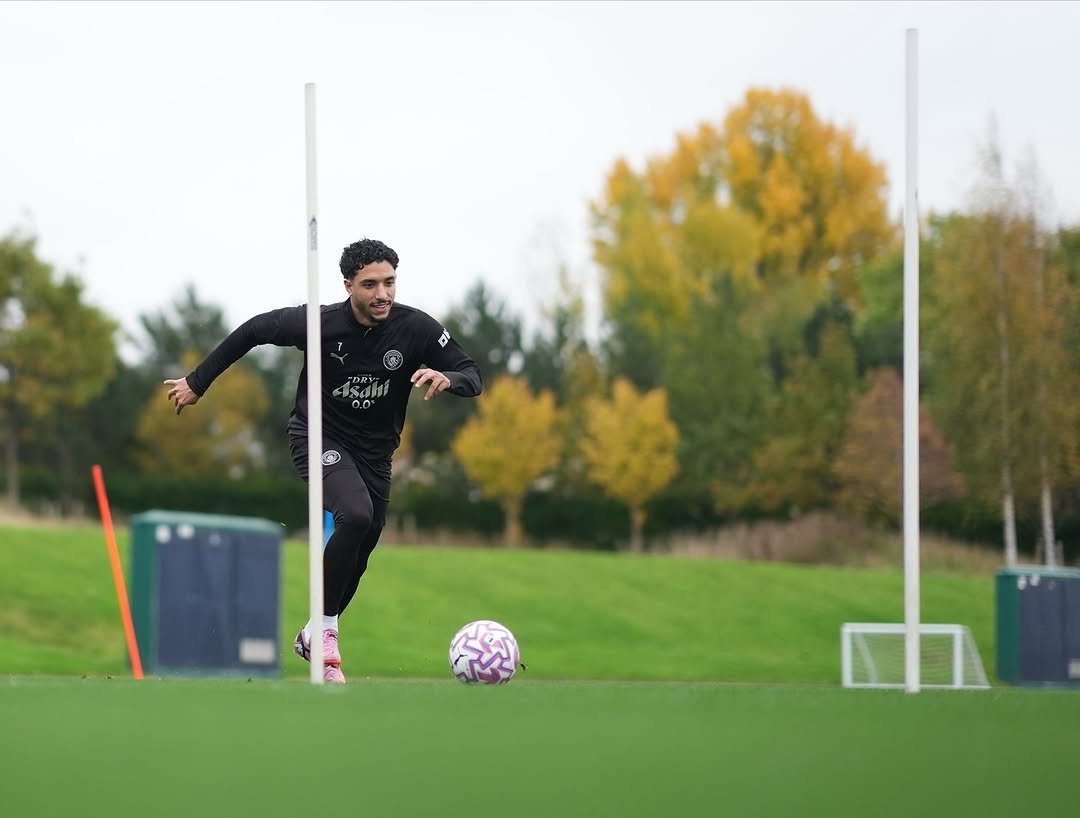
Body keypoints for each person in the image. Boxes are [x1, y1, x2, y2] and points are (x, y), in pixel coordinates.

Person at [163, 238, 483, 683]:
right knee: (354, 514)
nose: (383, 294)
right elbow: (254, 329)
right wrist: (198, 382)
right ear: (348, 285)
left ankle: (314, 632)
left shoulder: (418, 329)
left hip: (375, 454)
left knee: (366, 538)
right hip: (317, 435)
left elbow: (473, 375)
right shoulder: (319, 323)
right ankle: (328, 631)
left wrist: (446, 377)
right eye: (370, 284)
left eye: (390, 282)